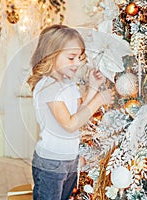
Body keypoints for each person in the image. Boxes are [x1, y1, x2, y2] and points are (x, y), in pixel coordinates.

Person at [27, 24, 113, 200]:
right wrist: (98, 100)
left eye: (80, 57)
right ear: (51, 55)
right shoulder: (48, 86)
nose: (78, 63)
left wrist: (93, 88)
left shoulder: (67, 84)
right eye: (71, 57)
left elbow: (79, 114)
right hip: (51, 162)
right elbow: (70, 124)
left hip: (69, 159)